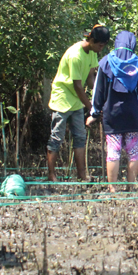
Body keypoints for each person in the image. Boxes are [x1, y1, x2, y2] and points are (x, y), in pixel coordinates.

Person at [86, 31, 138, 192]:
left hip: (112, 114)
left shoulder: (106, 62)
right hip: (132, 114)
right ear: (132, 44)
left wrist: (94, 114)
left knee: (113, 151)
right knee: (133, 151)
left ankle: (112, 188)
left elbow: (99, 91)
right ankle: (131, 186)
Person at [47, 25, 109, 182]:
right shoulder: (75, 55)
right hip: (62, 98)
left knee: (80, 138)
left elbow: (89, 78)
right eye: (100, 45)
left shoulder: (92, 53)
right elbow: (78, 86)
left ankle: (82, 176)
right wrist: (92, 107)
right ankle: (51, 175)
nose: (101, 49)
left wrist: (99, 97)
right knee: (57, 138)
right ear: (91, 41)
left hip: (76, 101)